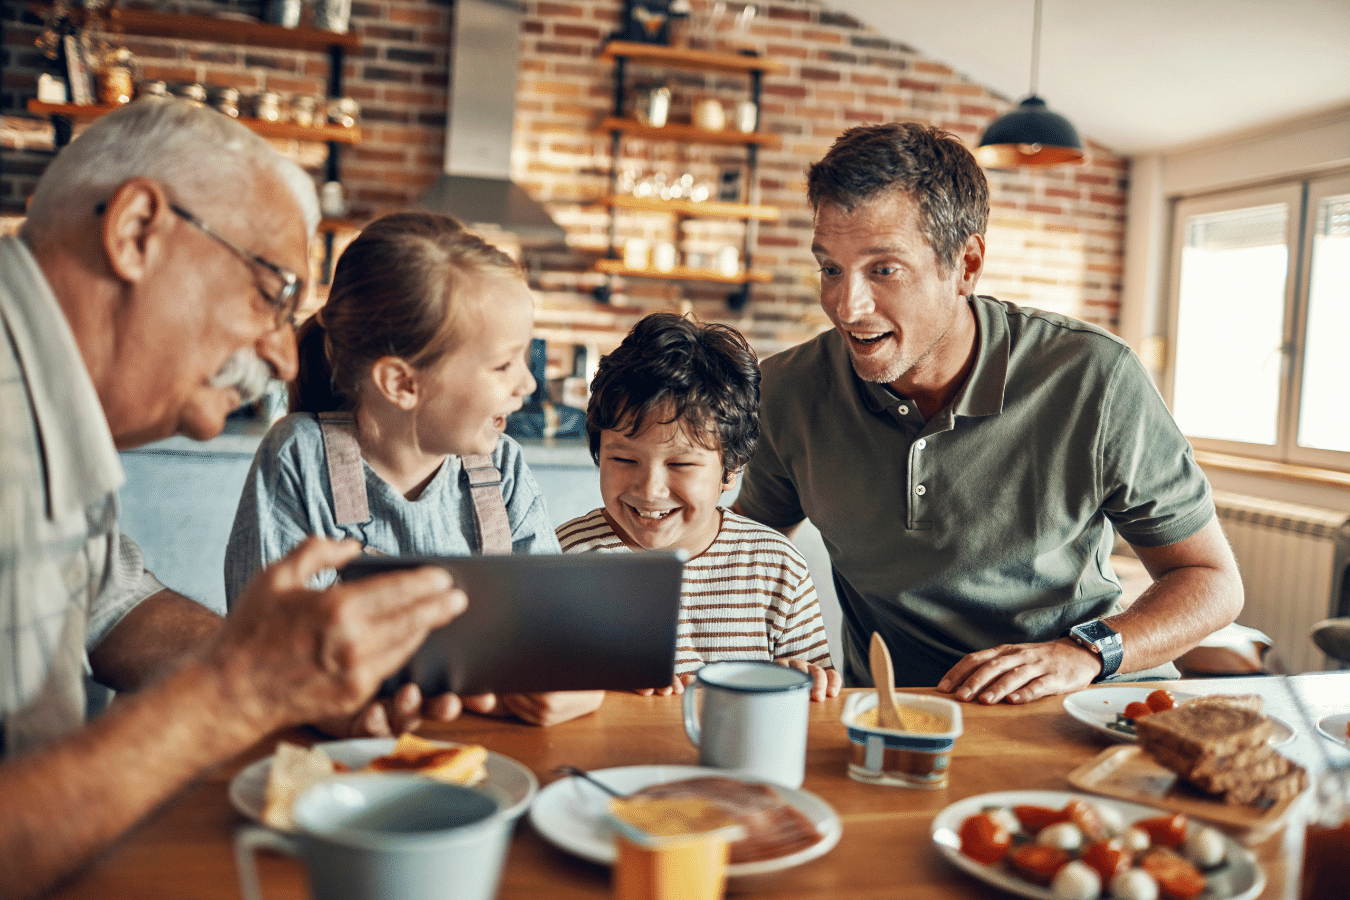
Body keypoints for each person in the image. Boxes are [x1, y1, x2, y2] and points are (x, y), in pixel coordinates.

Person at [0, 98, 471, 899]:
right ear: (138, 230)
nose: (287, 356)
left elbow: (114, 608)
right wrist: (238, 691)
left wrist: (302, 676)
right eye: (272, 292)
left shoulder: (52, 404)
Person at [733, 122, 1244, 705]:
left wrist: (1084, 653)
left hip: (1081, 701)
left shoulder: (1092, 377)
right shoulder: (787, 390)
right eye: (830, 269)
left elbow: (1211, 582)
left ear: (967, 265)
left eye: (884, 269)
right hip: (898, 713)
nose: (847, 306)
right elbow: (748, 552)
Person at [224, 212, 604, 727]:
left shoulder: (503, 470)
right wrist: (339, 711)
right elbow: (266, 652)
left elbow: (558, 636)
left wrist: (581, 686)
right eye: (503, 365)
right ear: (402, 384)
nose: (528, 386)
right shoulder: (300, 457)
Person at [556, 312, 841, 701]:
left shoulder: (777, 566)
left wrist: (801, 678)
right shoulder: (566, 558)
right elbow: (538, 688)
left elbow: (816, 691)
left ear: (731, 468)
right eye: (623, 460)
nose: (650, 489)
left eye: (680, 464)